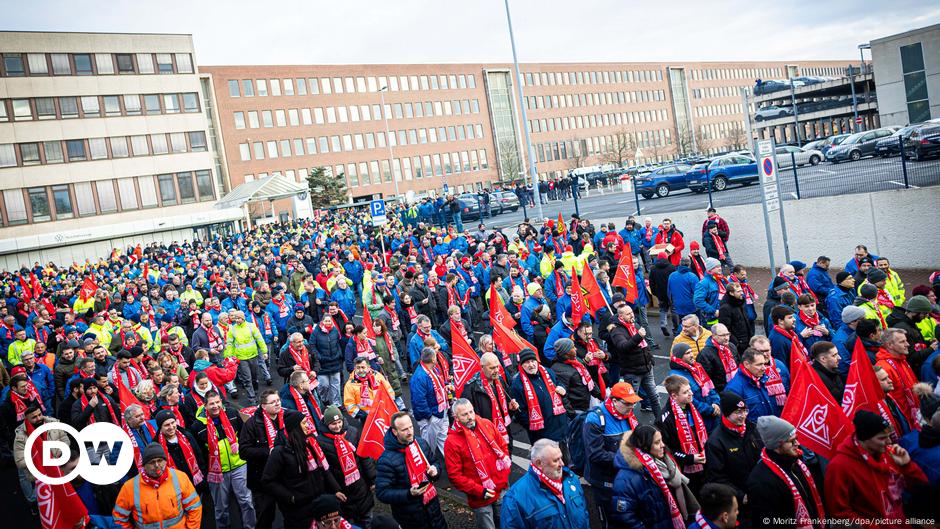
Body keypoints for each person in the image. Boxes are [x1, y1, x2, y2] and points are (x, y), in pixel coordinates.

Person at [824, 410, 928, 527]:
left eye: (888, 436)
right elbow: (840, 514)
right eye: (882, 438)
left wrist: (907, 465)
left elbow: (922, 488)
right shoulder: (839, 467)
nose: (889, 441)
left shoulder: (890, 453)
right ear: (864, 439)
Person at [610, 425, 699, 529]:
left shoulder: (664, 462)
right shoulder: (626, 479)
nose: (663, 445)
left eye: (661, 440)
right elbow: (624, 517)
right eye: (657, 442)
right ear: (645, 446)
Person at [191, 390, 256, 529]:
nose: (215, 406)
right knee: (221, 508)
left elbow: (245, 434)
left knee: (246, 501)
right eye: (211, 403)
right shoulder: (197, 426)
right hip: (217, 472)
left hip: (239, 465)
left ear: (221, 401)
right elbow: (199, 453)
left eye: (217, 402)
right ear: (205, 406)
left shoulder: (232, 414)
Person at [261, 411, 336, 529]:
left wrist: (335, 489)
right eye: (304, 423)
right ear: (295, 427)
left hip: (318, 504)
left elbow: (323, 469)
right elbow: (267, 481)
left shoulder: (311, 442)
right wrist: (291, 497)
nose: (308, 426)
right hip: (297, 511)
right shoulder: (280, 452)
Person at [747, 416, 825, 529]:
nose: (797, 443)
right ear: (777, 445)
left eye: (797, 438)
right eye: (792, 441)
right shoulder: (760, 481)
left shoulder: (797, 463)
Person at [444, 398, 511, 529]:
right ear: (455, 417)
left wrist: (505, 472)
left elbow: (502, 446)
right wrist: (479, 491)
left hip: (500, 487)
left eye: (471, 412)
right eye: (465, 414)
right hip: (480, 497)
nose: (470, 417)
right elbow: (455, 476)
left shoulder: (486, 424)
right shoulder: (451, 442)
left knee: (505, 523)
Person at [375, 411, 447, 529]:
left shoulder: (420, 443)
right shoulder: (386, 460)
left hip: (434, 511)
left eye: (411, 427)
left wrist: (435, 471)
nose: (410, 433)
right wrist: (408, 494)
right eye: (404, 430)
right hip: (410, 518)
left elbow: (435, 462)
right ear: (394, 432)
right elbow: (382, 493)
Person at [582, 382, 641, 525]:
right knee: (611, 519)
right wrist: (627, 459)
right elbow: (595, 454)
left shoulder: (628, 414)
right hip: (605, 481)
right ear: (614, 401)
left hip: (625, 475)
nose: (632, 407)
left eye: (633, 403)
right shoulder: (595, 419)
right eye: (627, 403)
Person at [501, 438, 589, 529]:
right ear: (539, 463)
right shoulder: (515, 499)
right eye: (555, 460)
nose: (562, 464)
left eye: (561, 458)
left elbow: (584, 515)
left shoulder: (571, 478)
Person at [113, 442, 202, 529]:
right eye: (152, 462)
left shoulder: (180, 478)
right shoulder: (129, 487)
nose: (157, 465)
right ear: (144, 466)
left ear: (165, 461)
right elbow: (119, 518)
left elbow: (195, 507)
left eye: (160, 460)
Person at [316, 405, 376, 528]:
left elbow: (364, 457)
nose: (337, 426)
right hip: (342, 491)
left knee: (367, 520)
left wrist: (372, 480)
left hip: (361, 488)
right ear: (326, 424)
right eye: (333, 424)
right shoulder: (320, 442)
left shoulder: (352, 432)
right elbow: (325, 471)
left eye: (339, 422)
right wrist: (335, 490)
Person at [238, 389, 287, 529]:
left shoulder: (285, 417)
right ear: (263, 406)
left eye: (278, 400)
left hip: (283, 476)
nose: (278, 404)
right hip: (262, 479)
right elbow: (244, 451)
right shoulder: (252, 424)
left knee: (291, 514)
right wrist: (269, 452)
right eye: (273, 402)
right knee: (265, 517)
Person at [704, 392, 763, 507]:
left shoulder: (752, 429)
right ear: (726, 414)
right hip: (741, 503)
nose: (743, 415)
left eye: (745, 411)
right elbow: (717, 478)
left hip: (760, 492)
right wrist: (741, 496)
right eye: (737, 412)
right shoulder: (715, 442)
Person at [658, 374, 709, 494]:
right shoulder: (664, 419)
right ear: (674, 396)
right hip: (684, 471)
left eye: (690, 389)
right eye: (686, 392)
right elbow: (666, 450)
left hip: (704, 464)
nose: (691, 393)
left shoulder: (692, 408)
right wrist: (690, 458)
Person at [608, 303, 661, 418]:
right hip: (633, 372)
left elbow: (644, 345)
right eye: (628, 314)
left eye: (632, 312)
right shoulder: (616, 331)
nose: (632, 315)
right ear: (621, 317)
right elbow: (623, 347)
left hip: (646, 368)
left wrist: (650, 359)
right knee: (630, 403)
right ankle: (630, 425)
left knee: (655, 398)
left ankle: (661, 422)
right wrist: (638, 336)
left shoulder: (634, 325)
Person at [13, 404, 70, 507]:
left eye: (40, 414)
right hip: (40, 478)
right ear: (26, 419)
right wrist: (42, 458)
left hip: (59, 470)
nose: (39, 418)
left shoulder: (53, 423)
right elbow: (20, 462)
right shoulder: (20, 437)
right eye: (34, 417)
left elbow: (66, 440)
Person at [510, 348, 568, 444]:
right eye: (527, 362)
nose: (531, 365)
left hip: (561, 427)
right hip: (542, 434)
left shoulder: (548, 372)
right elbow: (520, 413)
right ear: (521, 365)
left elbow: (559, 383)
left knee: (566, 458)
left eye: (533, 361)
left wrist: (562, 388)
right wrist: (535, 428)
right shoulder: (517, 384)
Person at [460, 352, 519, 445]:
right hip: (485, 437)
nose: (496, 370)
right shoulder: (472, 388)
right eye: (492, 368)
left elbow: (506, 409)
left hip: (504, 433)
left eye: (497, 367)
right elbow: (466, 417)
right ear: (482, 367)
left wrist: (511, 408)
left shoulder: (500, 380)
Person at [876, 328, 922, 428]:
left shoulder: (901, 359)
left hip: (915, 416)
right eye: (902, 342)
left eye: (906, 340)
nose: (908, 344)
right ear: (890, 345)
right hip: (904, 421)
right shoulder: (884, 368)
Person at [410, 347, 450, 457]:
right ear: (433, 359)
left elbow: (437, 385)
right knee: (428, 446)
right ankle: (428, 467)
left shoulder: (432, 369)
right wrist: (430, 417)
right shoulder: (419, 377)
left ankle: (449, 461)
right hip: (431, 417)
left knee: (444, 439)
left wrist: (445, 387)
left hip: (440, 412)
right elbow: (419, 401)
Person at [153, 409, 206, 491]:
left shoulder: (187, 435)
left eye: (173, 422)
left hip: (196, 482)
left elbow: (199, 455)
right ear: (160, 427)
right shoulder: (156, 446)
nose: (171, 427)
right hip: (174, 488)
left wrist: (204, 475)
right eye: (167, 425)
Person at [886, 295, 938, 376]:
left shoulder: (909, 322)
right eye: (924, 314)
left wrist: (928, 342)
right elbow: (911, 357)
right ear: (914, 312)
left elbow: (916, 343)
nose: (925, 317)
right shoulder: (902, 328)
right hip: (913, 371)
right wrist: (931, 349)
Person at [725, 348, 780, 423]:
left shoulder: (763, 379)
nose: (764, 368)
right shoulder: (734, 389)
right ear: (746, 364)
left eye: (764, 364)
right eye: (759, 364)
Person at [224, 310, 268, 403]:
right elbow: (230, 344)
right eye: (235, 318)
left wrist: (264, 351)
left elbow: (259, 339)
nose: (237, 320)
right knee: (247, 378)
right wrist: (229, 356)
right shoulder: (232, 329)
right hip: (241, 358)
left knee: (254, 377)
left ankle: (255, 391)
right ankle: (251, 397)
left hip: (253, 355)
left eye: (239, 318)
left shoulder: (251, 326)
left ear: (243, 318)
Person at [550, 338, 600, 414]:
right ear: (566, 352)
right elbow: (563, 396)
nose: (576, 349)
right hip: (576, 410)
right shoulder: (559, 370)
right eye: (573, 347)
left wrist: (599, 394)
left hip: (585, 405)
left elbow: (588, 378)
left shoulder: (576, 361)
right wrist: (572, 414)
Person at [345, 355, 395, 424]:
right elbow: (349, 405)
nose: (360, 370)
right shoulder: (349, 384)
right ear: (354, 368)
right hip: (366, 419)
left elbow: (389, 391)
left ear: (368, 367)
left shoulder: (378, 376)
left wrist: (389, 405)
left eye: (363, 367)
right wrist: (362, 415)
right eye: (358, 368)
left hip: (383, 412)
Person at [697, 323, 740, 393]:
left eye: (727, 334)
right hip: (719, 392)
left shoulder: (732, 346)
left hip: (736, 387)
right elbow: (706, 380)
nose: (726, 338)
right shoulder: (705, 354)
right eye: (722, 335)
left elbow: (738, 364)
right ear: (713, 336)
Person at [718, 282, 752, 351]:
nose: (742, 293)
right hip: (738, 345)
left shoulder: (739, 302)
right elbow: (726, 329)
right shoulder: (725, 308)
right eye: (738, 291)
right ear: (731, 293)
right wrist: (737, 344)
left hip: (746, 342)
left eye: (741, 290)